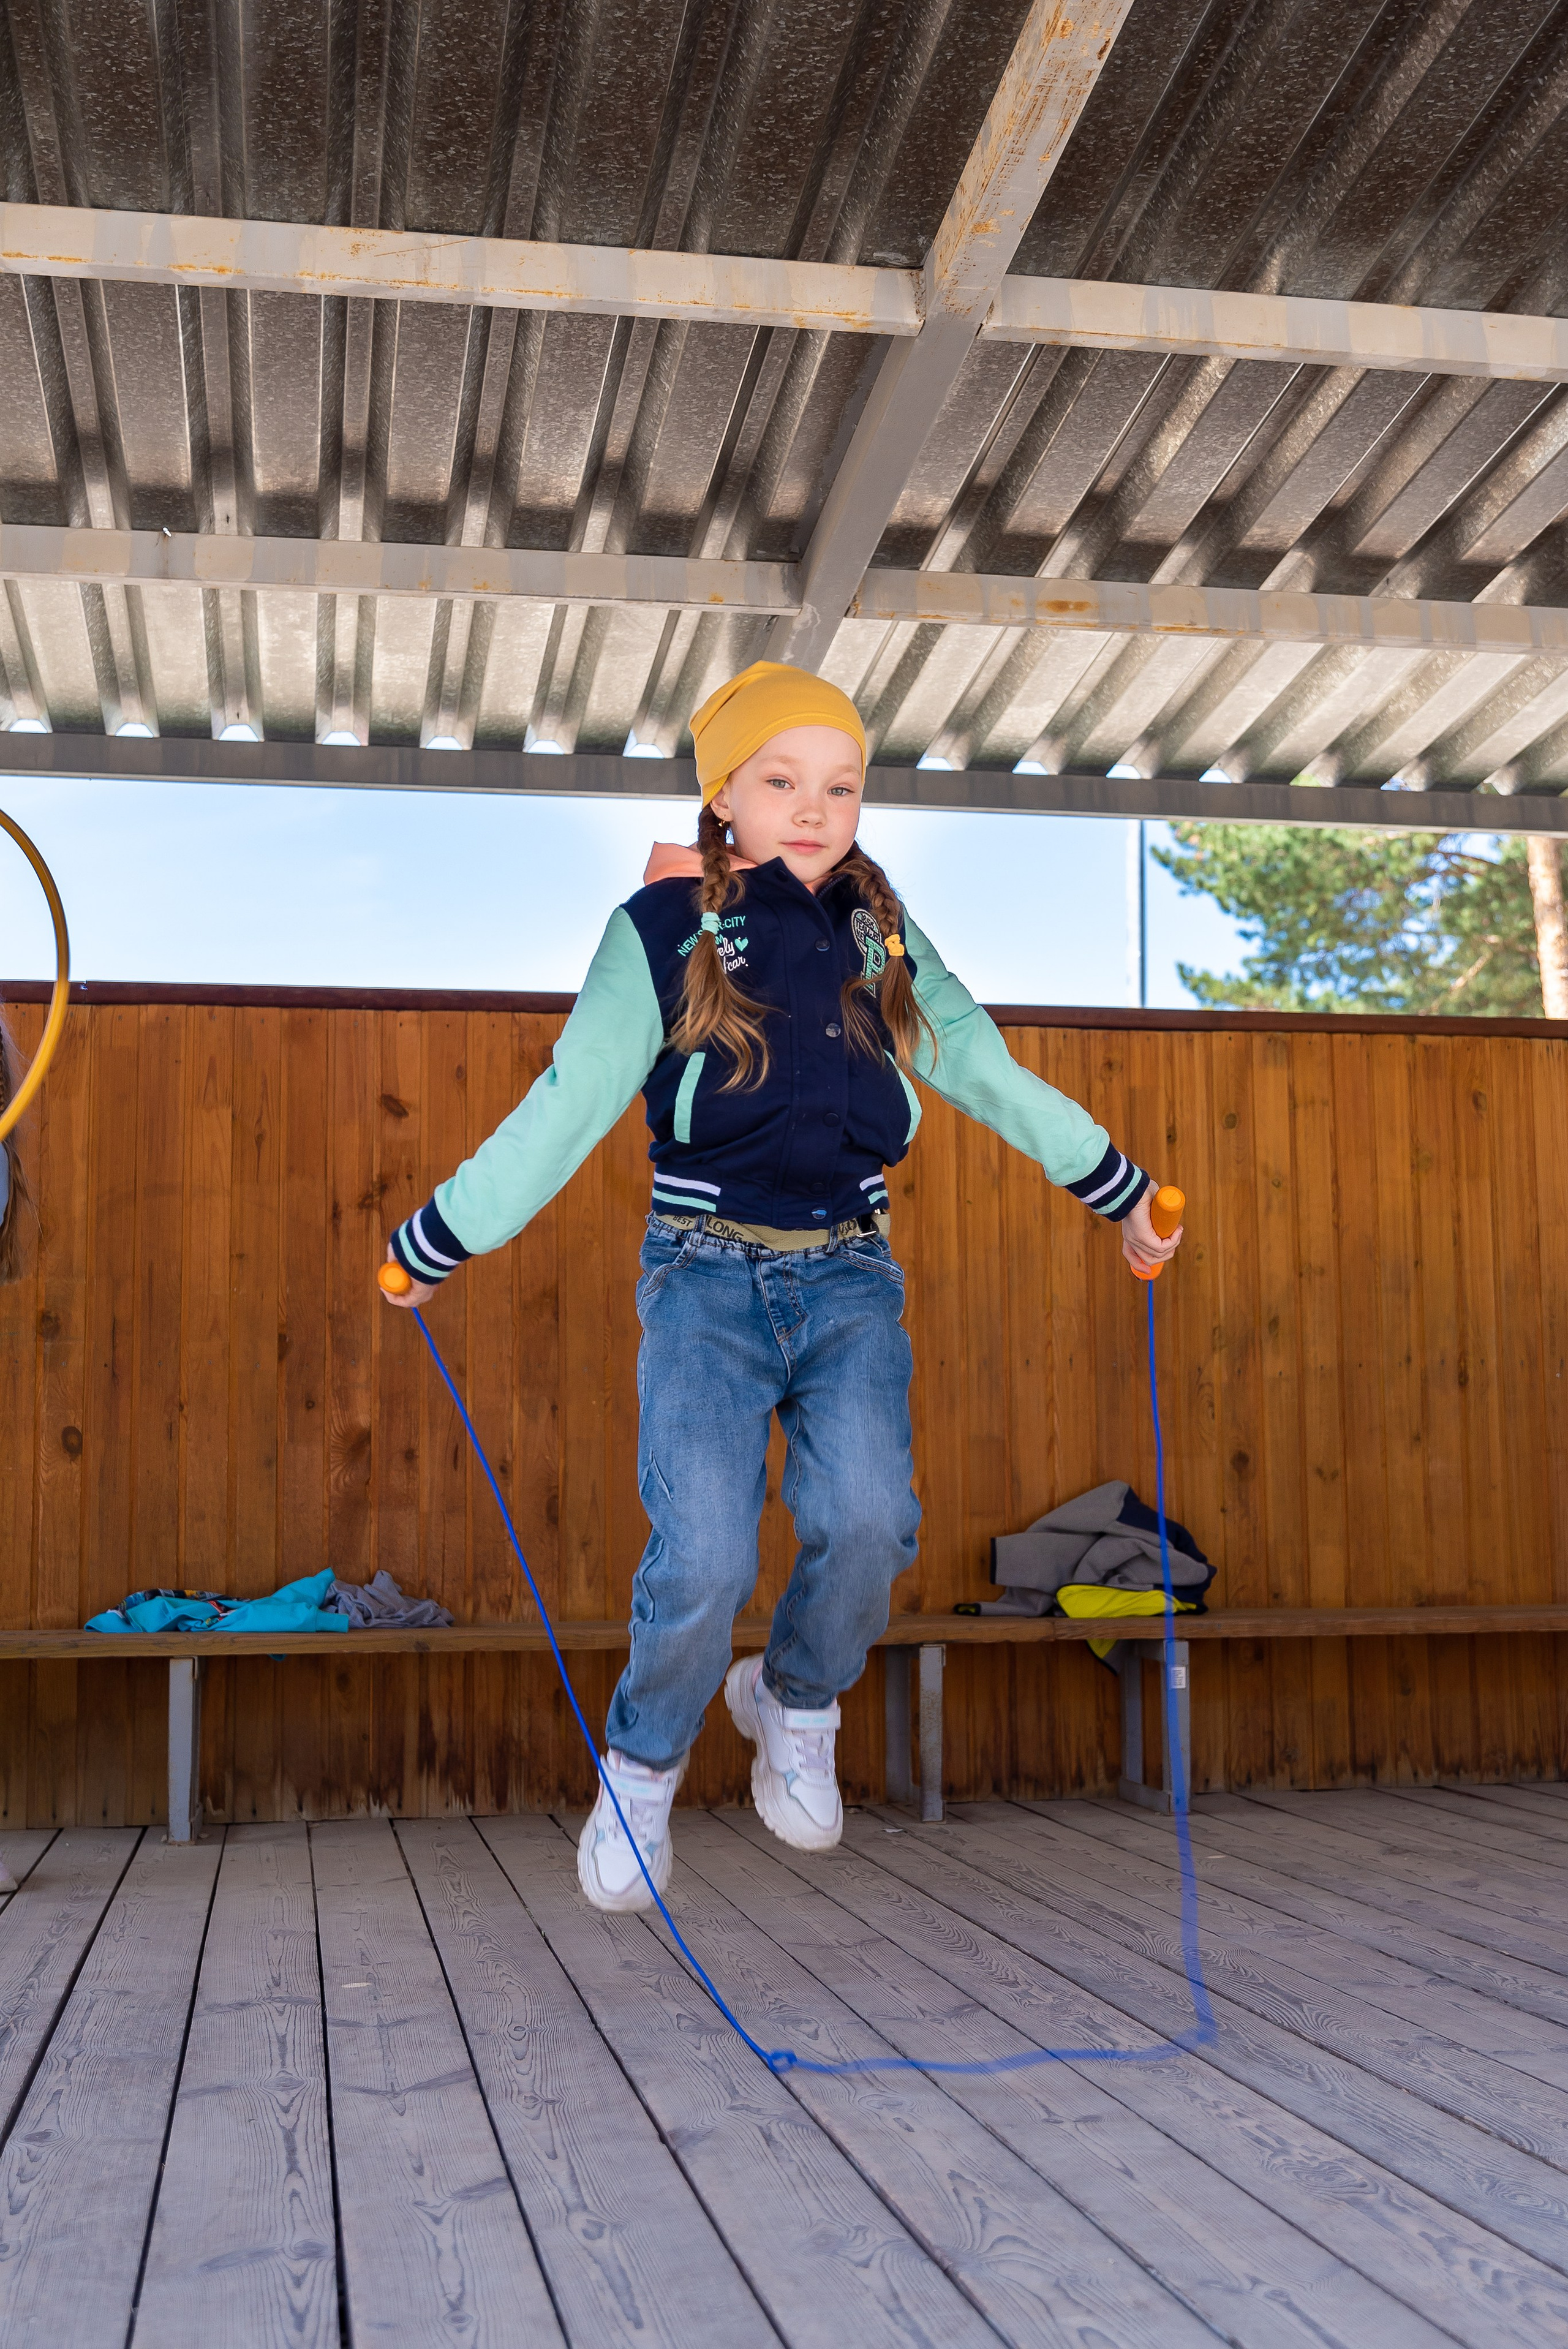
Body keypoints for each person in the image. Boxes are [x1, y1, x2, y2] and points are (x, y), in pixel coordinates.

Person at [382, 661, 1181, 1910]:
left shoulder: (880, 932)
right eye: (780, 780)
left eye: (840, 785)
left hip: (851, 1275)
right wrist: (442, 1234)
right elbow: (571, 1098)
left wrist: (1114, 1186)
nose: (812, 807)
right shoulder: (658, 931)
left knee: (869, 1520)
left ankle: (792, 1698)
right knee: (700, 1550)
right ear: (725, 794)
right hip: (703, 1278)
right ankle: (642, 1768)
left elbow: (975, 1062)